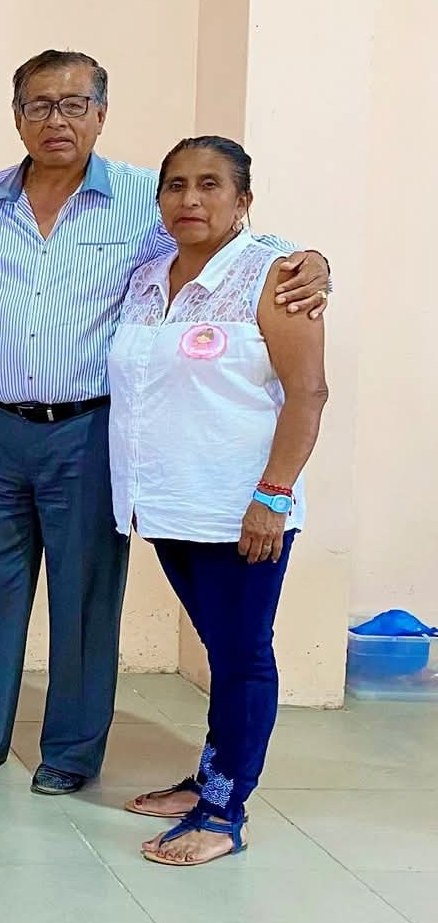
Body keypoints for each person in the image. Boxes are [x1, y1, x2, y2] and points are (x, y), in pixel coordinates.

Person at [0, 51, 331, 794]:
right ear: (17, 116)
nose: (57, 119)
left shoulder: (147, 197)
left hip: (90, 430)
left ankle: (71, 753)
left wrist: (309, 260)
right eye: (39, 104)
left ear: (101, 114)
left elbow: (227, 247)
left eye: (74, 104)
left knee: (85, 595)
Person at [110, 137, 326, 865]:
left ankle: (224, 811)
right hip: (169, 504)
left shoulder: (276, 276)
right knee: (222, 650)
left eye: (210, 185)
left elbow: (308, 392)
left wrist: (273, 495)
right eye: (175, 185)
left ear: (243, 200)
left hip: (244, 510)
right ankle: (210, 775)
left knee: (241, 656)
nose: (190, 199)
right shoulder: (150, 275)